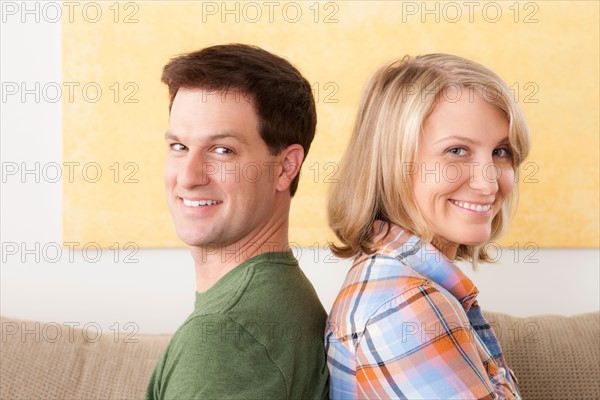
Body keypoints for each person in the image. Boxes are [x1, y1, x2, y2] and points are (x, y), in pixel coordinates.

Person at [325, 54, 530, 399]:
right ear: (393, 163)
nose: (488, 183)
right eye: (457, 151)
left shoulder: (410, 287)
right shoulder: (405, 306)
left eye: (501, 151)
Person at [145, 44, 329, 400]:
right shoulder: (277, 296)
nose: (188, 177)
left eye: (222, 150)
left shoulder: (224, 335)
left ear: (285, 167)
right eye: (179, 146)